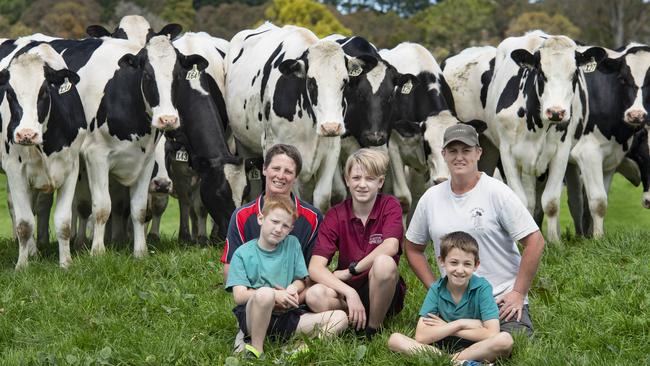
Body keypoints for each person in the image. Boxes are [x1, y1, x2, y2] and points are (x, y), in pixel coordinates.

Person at [404, 123, 545, 339]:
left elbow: (535, 242)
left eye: (466, 150)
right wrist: (437, 290)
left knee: (509, 343)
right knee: (420, 343)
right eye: (453, 151)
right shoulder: (430, 198)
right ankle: (460, 350)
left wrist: (518, 293)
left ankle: (461, 353)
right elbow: (412, 248)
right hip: (454, 302)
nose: (459, 157)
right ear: (443, 154)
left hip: (500, 300)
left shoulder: (497, 192)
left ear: (478, 153)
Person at [220, 143, 323, 352]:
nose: (281, 176)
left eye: (288, 171)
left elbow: (313, 272)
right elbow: (230, 271)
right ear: (264, 169)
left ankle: (293, 341)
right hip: (254, 301)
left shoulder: (312, 218)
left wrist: (289, 298)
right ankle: (250, 334)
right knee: (263, 298)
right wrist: (267, 298)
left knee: (334, 314)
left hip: (295, 303)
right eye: (276, 168)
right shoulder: (242, 215)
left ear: (295, 177)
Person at [225, 196, 348, 358]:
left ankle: (298, 349)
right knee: (265, 293)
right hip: (253, 316)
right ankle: (256, 350)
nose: (278, 229)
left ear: (290, 229)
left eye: (285, 226)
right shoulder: (242, 253)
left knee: (340, 318)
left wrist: (292, 289)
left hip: (286, 316)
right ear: (261, 218)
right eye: (274, 222)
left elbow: (301, 280)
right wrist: (275, 294)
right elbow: (239, 296)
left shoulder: (292, 244)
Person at [307, 148, 405, 339]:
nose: (362, 184)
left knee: (384, 262)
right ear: (347, 180)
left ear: (380, 182)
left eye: (369, 179)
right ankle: (353, 318)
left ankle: (372, 329)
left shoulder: (390, 205)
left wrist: (352, 270)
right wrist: (349, 292)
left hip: (382, 288)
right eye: (356, 178)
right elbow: (315, 268)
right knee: (314, 295)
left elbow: (390, 246)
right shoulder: (336, 214)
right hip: (347, 290)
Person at [388, 231, 513, 364]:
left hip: (477, 346)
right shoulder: (436, 289)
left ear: (476, 265)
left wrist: (449, 328)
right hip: (441, 346)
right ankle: (459, 362)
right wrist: (460, 324)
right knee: (394, 339)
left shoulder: (482, 288)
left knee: (505, 340)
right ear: (442, 261)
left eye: (467, 264)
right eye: (454, 263)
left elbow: (492, 333)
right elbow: (421, 336)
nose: (460, 270)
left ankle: (448, 361)